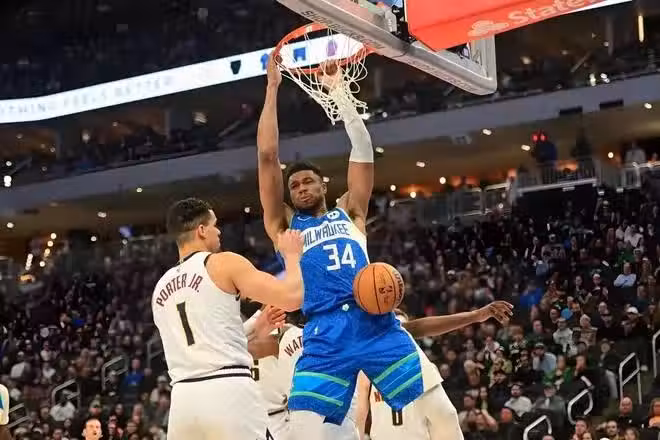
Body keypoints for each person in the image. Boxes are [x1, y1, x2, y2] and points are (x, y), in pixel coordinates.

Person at [257, 54, 493, 440]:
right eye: (294, 185)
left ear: (324, 185)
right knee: (305, 431)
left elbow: (363, 149)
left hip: (375, 322)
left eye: (308, 181)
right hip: (323, 333)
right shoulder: (284, 225)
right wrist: (272, 88)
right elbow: (267, 157)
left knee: (442, 412)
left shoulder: (350, 211)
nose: (300, 188)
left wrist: (340, 93)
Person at [152, 197, 305, 440]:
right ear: (201, 230)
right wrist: (293, 256)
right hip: (228, 392)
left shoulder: (160, 288)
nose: (219, 231)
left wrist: (254, 327)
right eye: (215, 225)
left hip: (182, 402)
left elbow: (203, 343)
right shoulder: (223, 263)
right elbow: (293, 298)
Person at [355, 306, 512, 440]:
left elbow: (446, 417)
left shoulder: (424, 369)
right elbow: (360, 408)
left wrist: (475, 315)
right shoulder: (368, 363)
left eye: (403, 327)